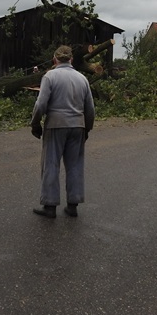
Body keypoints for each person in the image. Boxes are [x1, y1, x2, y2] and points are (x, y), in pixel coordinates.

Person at [30, 45, 95, 219]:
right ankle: (73, 205)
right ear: (71, 60)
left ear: (54, 59)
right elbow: (90, 108)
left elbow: (41, 104)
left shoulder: (50, 76)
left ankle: (50, 206)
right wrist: (87, 128)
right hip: (78, 125)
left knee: (51, 164)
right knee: (75, 165)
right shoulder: (82, 79)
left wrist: (35, 124)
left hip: (56, 125)